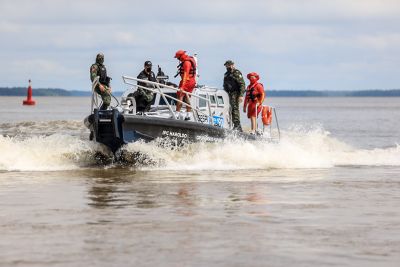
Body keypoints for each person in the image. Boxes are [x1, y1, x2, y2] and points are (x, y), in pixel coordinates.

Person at [223, 60, 246, 131]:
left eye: (229, 65)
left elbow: (242, 84)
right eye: (226, 65)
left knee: (235, 108)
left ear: (232, 65)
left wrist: (241, 95)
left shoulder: (236, 73)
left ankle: (237, 125)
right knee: (229, 109)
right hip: (228, 93)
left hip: (235, 93)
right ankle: (231, 124)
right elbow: (224, 85)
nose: (227, 67)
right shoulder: (226, 74)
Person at [174, 50, 197, 120]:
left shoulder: (186, 63)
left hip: (187, 81)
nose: (178, 60)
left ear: (181, 57)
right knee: (187, 97)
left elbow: (185, 75)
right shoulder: (190, 60)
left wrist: (182, 86)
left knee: (180, 96)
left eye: (178, 58)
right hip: (192, 81)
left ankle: (177, 114)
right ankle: (188, 115)